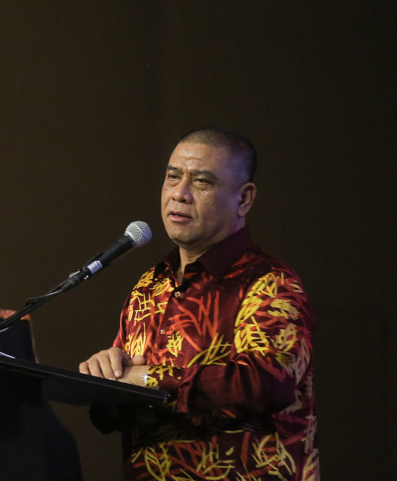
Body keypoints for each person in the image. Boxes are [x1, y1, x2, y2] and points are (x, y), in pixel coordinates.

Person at [80, 128, 318, 480]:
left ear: (244, 199)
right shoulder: (150, 286)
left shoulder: (269, 281)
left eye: (202, 182)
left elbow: (267, 382)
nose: (180, 193)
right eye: (173, 177)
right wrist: (106, 376)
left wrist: (149, 380)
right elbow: (115, 412)